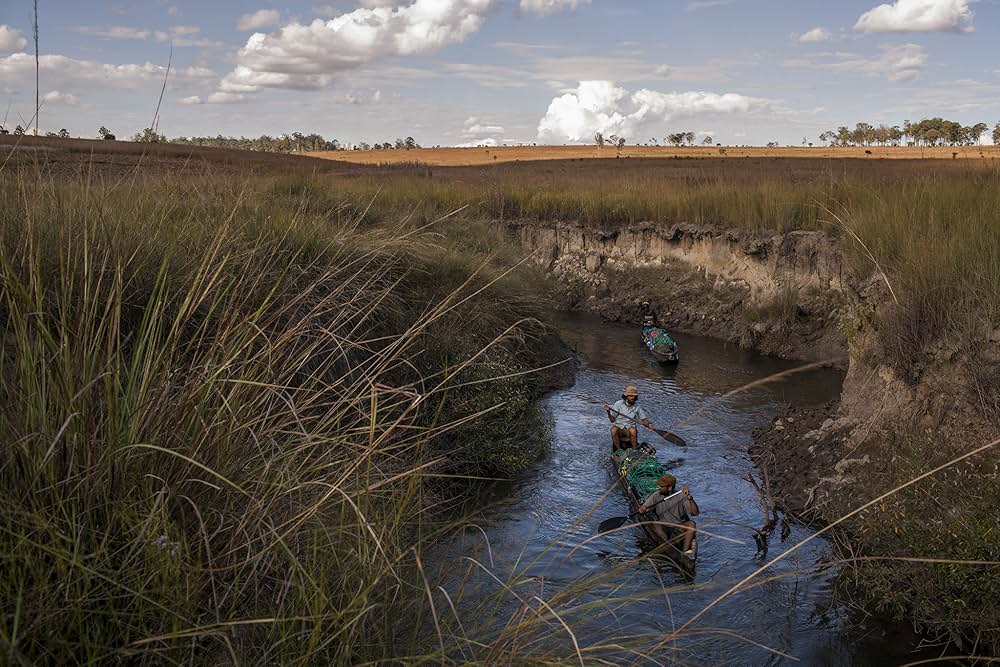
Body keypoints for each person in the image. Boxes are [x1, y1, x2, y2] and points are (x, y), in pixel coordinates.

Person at [638, 473, 699, 555]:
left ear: (670, 488)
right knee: (656, 525)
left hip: (678, 525)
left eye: (662, 487)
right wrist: (642, 509)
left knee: (692, 524)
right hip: (664, 525)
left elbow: (695, 513)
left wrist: (690, 498)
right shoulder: (656, 495)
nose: (659, 488)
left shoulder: (681, 496)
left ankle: (685, 551)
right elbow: (643, 509)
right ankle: (667, 545)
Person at [603, 385, 657, 451]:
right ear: (626, 396)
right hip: (619, 428)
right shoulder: (618, 404)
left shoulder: (637, 407)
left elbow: (644, 420)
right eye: (631, 396)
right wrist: (608, 412)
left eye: (634, 396)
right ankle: (618, 450)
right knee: (613, 430)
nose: (633, 398)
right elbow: (612, 420)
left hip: (630, 429)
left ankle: (634, 450)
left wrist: (649, 424)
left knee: (633, 431)